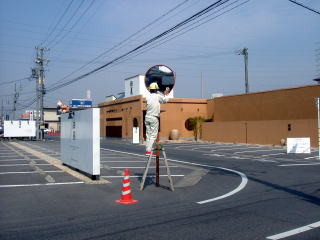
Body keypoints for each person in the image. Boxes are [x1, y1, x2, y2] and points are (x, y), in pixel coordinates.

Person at [145, 82, 170, 155]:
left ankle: (148, 150)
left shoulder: (147, 97)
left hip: (147, 117)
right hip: (154, 117)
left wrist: (160, 93)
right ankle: (150, 151)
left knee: (148, 135)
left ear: (150, 90)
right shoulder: (157, 96)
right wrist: (165, 94)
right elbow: (165, 100)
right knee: (153, 135)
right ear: (156, 90)